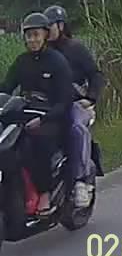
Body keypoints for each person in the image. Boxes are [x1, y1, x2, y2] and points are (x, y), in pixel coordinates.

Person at [1, 12, 76, 216]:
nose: (32, 40)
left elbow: (65, 100)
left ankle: (44, 192)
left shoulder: (57, 61)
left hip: (50, 116)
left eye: (36, 35)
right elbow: (6, 88)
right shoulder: (21, 62)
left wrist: (44, 118)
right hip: (25, 112)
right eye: (29, 36)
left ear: (45, 35)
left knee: (36, 142)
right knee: (8, 144)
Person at [44, 5, 102, 208]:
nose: (47, 31)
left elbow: (95, 75)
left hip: (76, 103)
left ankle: (81, 181)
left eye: (50, 26)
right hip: (49, 105)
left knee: (76, 128)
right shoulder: (41, 53)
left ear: (61, 26)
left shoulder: (76, 49)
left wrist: (90, 98)